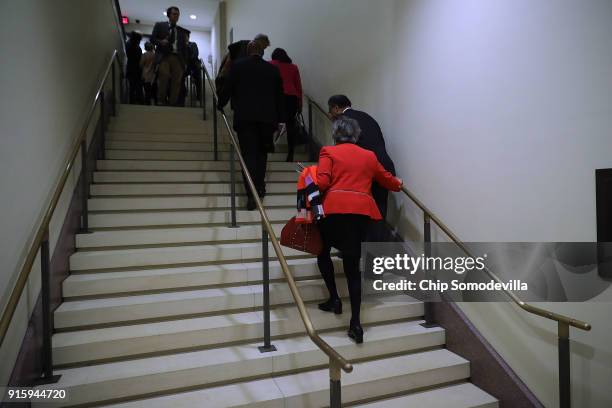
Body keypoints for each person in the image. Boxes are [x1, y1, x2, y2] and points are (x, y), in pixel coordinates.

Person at [315, 116, 402, 344]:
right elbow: (387, 180)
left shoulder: (328, 152)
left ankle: (334, 299)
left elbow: (323, 183)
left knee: (322, 252)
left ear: (336, 134)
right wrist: (398, 184)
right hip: (360, 214)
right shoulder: (368, 155)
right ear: (356, 135)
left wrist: (311, 177)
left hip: (334, 211)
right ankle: (356, 323)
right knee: (353, 268)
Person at [217, 41, 285, 211]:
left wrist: (220, 104)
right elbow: (279, 96)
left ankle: (251, 196)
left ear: (248, 52)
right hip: (267, 120)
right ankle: (260, 187)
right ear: (262, 53)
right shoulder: (272, 70)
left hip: (245, 118)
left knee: (248, 156)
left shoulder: (238, 66)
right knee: (262, 154)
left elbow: (228, 87)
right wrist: (281, 119)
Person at [328, 95, 396, 242]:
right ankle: (375, 251)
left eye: (330, 110)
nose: (330, 115)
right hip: (384, 166)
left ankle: (352, 248)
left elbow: (344, 152)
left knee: (356, 212)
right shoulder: (367, 117)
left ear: (336, 108)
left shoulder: (342, 121)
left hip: (365, 171)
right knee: (379, 210)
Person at [151, 6, 189, 106]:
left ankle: (173, 103)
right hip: (164, 56)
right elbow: (152, 39)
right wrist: (160, 41)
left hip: (178, 58)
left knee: (177, 81)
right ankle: (161, 101)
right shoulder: (159, 25)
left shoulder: (182, 31)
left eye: (178, 14)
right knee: (164, 76)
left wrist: (184, 62)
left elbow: (184, 48)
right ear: (169, 15)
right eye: (174, 14)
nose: (176, 16)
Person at [270, 48, 303, 162]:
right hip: (291, 98)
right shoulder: (293, 67)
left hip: (276, 96)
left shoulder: (271, 64)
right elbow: (298, 86)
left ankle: (270, 146)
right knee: (290, 126)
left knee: (271, 121)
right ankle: (290, 153)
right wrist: (300, 104)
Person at [126, 31, 143, 104]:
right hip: (137, 69)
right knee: (138, 86)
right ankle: (140, 101)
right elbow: (139, 59)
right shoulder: (137, 48)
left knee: (132, 87)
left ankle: (132, 101)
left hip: (130, 68)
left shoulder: (128, 45)